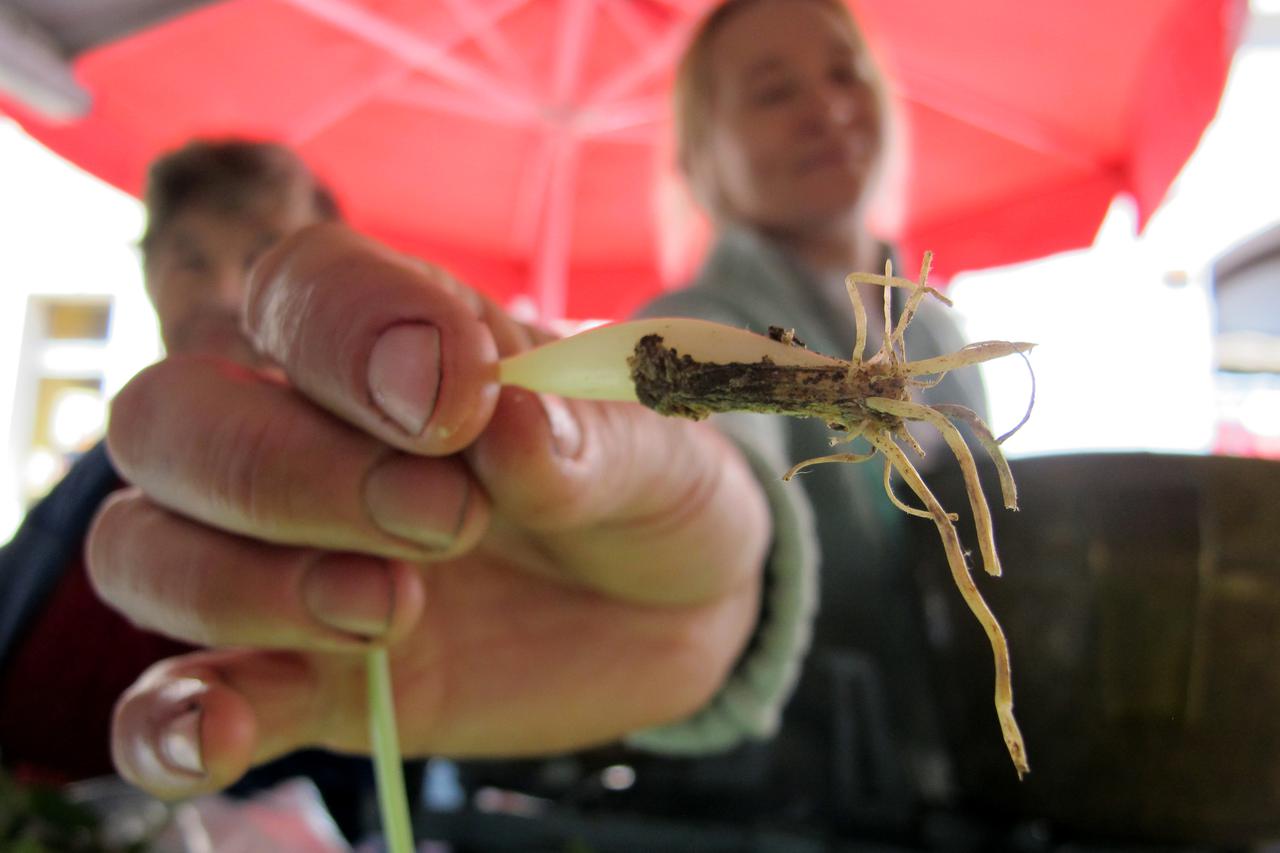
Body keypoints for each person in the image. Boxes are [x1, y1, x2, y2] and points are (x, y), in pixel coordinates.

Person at [57, 0, 990, 846]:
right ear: (704, 152)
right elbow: (716, 455)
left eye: (844, 71)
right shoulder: (709, 316)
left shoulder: (937, 327)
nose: (824, 107)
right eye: (773, 91)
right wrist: (720, 561)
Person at [0, 139, 393, 835]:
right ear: (150, 273)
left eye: (261, 259)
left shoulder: (358, 491)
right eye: (190, 259)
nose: (221, 294)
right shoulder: (97, 466)